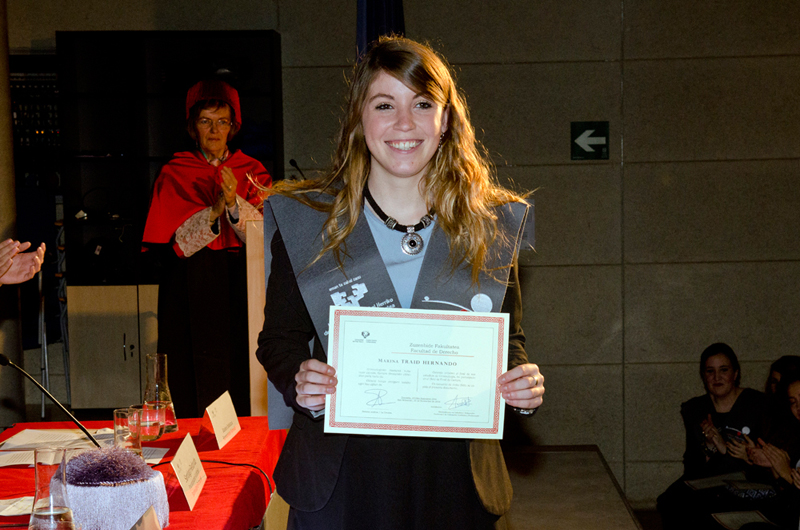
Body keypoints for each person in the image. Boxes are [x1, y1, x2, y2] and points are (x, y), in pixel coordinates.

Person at [256, 36, 544, 530]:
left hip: (453, 476)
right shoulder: (311, 223)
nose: (405, 123)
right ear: (360, 118)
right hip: (341, 477)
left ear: (446, 120)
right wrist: (299, 377)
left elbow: (508, 338)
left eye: (423, 104)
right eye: (385, 105)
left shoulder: (488, 228)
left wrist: (520, 379)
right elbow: (278, 340)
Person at [142, 80, 271, 418]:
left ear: (233, 127)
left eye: (222, 122)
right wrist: (214, 211)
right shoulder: (174, 172)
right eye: (205, 121)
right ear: (193, 127)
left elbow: (264, 236)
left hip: (240, 284)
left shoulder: (253, 172)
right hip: (189, 285)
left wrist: (233, 202)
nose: (214, 131)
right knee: (190, 369)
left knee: (240, 364)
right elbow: (173, 246)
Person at [658, 343, 769, 529]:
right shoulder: (695, 409)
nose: (717, 377)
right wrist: (709, 446)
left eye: (723, 370)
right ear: (704, 376)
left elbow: (768, 462)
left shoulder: (758, 404)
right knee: (670, 500)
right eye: (710, 371)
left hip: (749, 480)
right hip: (709, 479)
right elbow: (692, 464)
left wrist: (734, 451)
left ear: (735, 374)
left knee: (715, 506)